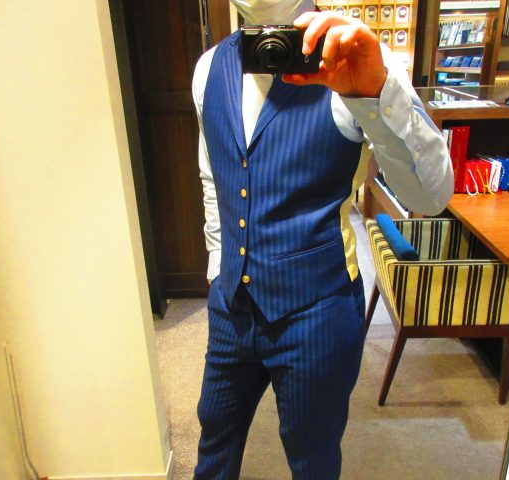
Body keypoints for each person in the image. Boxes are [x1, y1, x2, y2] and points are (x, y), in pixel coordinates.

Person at [191, 1, 453, 478]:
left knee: (312, 457)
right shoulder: (209, 68)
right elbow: (215, 178)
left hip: (316, 310)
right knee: (214, 439)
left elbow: (429, 196)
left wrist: (375, 93)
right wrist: (217, 270)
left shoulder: (358, 59)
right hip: (231, 305)